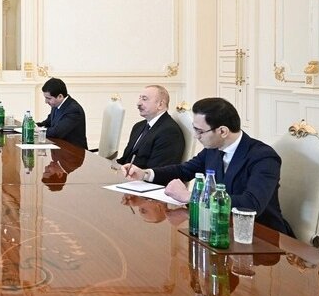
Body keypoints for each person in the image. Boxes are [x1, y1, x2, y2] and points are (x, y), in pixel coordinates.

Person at [123, 97, 294, 236]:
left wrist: (191, 197)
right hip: (220, 228)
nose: (196, 136)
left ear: (222, 131)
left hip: (261, 236)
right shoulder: (214, 149)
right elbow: (184, 170)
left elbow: (251, 204)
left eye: (200, 131)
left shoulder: (263, 157)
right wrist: (145, 174)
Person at [115, 85, 185, 169]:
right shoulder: (138, 126)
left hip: (142, 177)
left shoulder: (169, 132)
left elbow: (157, 170)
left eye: (144, 99)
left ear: (160, 104)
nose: (138, 103)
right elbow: (125, 160)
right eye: (140, 98)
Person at [35, 78, 88, 149]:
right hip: (60, 149)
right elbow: (48, 122)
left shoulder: (73, 110)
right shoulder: (56, 104)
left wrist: (38, 130)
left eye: (49, 98)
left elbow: (57, 132)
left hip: (73, 152)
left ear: (60, 96)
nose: (46, 101)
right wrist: (35, 125)